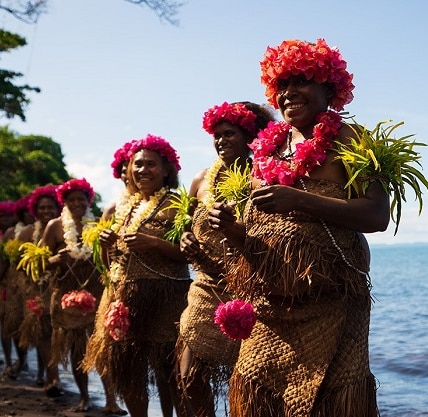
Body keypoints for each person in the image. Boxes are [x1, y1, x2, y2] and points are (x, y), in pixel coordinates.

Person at [209, 39, 390, 416]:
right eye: (282, 84)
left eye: (303, 80)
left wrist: (303, 200)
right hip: (270, 304)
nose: (290, 92)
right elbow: (259, 226)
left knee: (332, 402)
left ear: (329, 88)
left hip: (332, 300)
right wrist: (230, 227)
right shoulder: (265, 149)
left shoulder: (350, 140)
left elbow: (376, 215)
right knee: (260, 393)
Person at [176, 101, 274, 417]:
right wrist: (184, 238)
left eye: (229, 133)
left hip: (251, 287)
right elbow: (182, 226)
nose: (220, 141)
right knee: (189, 375)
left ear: (250, 136)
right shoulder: (201, 180)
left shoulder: (262, 177)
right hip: (206, 285)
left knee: (247, 383)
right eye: (216, 135)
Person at [83, 134, 192, 417]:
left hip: (167, 300)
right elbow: (111, 266)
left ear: (167, 169)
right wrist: (107, 246)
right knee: (127, 368)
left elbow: (192, 255)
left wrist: (155, 243)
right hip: (122, 299)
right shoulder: (125, 207)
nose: (143, 170)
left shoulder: (177, 205)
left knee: (170, 369)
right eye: (138, 164)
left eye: (151, 164)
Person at [39, 178, 126, 414]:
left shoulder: (96, 225)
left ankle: (111, 400)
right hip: (66, 295)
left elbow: (110, 256)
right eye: (72, 200)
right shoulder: (55, 227)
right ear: (64, 202)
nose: (77, 203)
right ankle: (85, 398)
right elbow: (42, 262)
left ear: (89, 200)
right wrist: (57, 259)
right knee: (78, 350)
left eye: (82, 199)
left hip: (95, 292)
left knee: (101, 349)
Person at [16, 185, 61, 387]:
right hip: (37, 289)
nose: (46, 211)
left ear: (58, 208)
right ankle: (53, 377)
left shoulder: (62, 227)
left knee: (56, 334)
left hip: (60, 288)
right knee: (42, 334)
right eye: (42, 208)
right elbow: (20, 265)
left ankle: (51, 374)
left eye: (50, 207)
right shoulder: (26, 233)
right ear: (35, 209)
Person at [1, 196, 31, 377]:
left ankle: (45, 374)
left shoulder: (45, 229)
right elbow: (3, 261)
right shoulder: (11, 233)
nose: (30, 215)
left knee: (38, 326)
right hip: (12, 285)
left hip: (36, 284)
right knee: (12, 324)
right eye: (26, 212)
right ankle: (18, 360)